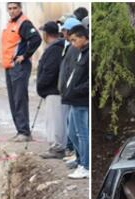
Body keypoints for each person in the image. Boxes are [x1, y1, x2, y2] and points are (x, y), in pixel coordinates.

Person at [1, 2, 41, 142]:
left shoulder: (24, 24)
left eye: (14, 8)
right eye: (10, 8)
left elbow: (36, 39)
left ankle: (24, 132)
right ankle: (20, 130)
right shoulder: (10, 23)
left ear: (20, 8)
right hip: (9, 66)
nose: (12, 11)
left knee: (19, 99)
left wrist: (25, 56)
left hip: (19, 67)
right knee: (13, 100)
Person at [61, 23, 89, 179]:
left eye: (74, 40)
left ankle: (85, 165)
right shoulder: (80, 52)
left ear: (83, 38)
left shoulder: (87, 54)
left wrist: (76, 90)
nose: (72, 44)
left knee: (82, 134)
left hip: (80, 100)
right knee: (72, 133)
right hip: (73, 99)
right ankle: (81, 160)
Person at [36, 22, 65, 158]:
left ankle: (57, 148)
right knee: (54, 120)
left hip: (53, 91)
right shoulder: (56, 47)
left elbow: (49, 71)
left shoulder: (54, 49)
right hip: (52, 91)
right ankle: (56, 147)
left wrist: (41, 86)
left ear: (46, 34)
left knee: (55, 121)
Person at [57, 17, 81, 165]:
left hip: (74, 95)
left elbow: (73, 72)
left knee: (77, 131)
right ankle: (77, 156)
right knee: (71, 128)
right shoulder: (68, 46)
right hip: (68, 93)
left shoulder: (75, 48)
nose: (63, 32)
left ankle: (80, 159)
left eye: (65, 30)